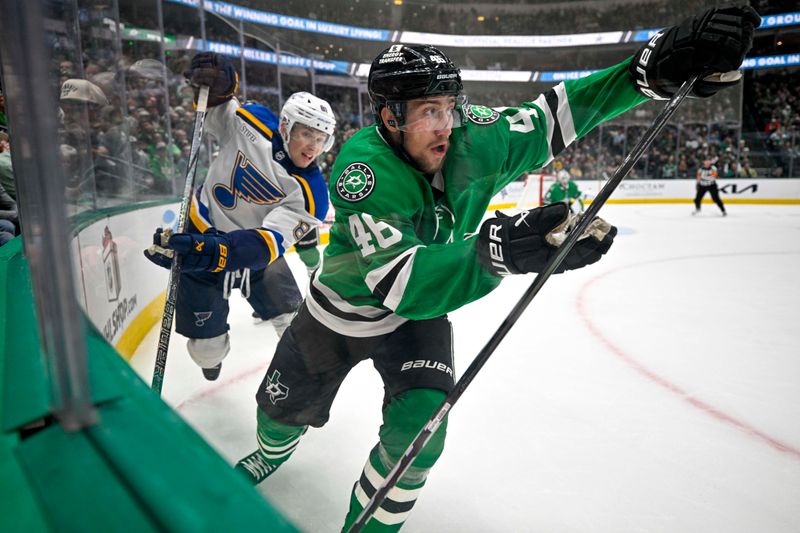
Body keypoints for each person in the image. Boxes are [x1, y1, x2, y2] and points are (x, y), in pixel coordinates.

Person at [236, 6, 758, 531]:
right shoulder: (363, 168)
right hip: (343, 314)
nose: (446, 126)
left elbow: (555, 114)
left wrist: (645, 72)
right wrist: (497, 249)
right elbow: (400, 282)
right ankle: (272, 449)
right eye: (428, 112)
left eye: (450, 107)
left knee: (421, 433)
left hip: (419, 319)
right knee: (278, 417)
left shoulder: (472, 137)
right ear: (390, 117)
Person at [144, 52, 336, 381]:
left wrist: (214, 253)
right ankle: (211, 354)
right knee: (207, 352)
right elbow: (216, 108)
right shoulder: (253, 122)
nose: (312, 148)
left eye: (321, 140)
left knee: (294, 324)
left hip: (253, 251)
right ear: (286, 126)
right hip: (201, 228)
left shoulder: (312, 195)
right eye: (307, 135)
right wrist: (218, 83)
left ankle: (301, 381)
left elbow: (267, 244)